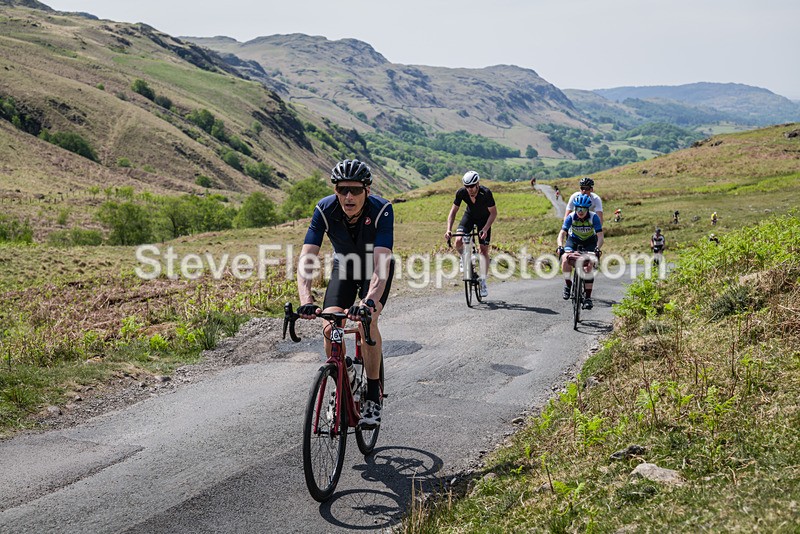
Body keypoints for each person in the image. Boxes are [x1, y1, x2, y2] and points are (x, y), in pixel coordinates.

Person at [296, 158, 394, 428]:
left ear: (367, 190)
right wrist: (306, 299)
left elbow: (382, 263)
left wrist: (370, 300)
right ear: (335, 190)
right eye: (342, 190)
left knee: (368, 321)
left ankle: (373, 394)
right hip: (345, 267)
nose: (348, 196)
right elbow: (307, 257)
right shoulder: (324, 209)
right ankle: (343, 379)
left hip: (375, 267)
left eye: (355, 190)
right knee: (330, 324)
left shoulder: (382, 210)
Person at [444, 171, 497, 298]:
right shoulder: (461, 193)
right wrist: (448, 229)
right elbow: (453, 212)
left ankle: (483, 281)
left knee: (483, 251)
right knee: (458, 241)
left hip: (484, 221)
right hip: (469, 217)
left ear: (477, 184)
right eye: (467, 187)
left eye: (472, 186)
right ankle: (464, 258)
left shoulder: (486, 193)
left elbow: (493, 213)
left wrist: (485, 229)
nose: (469, 189)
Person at [556, 193, 603, 310]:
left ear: (587, 209)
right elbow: (562, 233)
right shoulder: (571, 217)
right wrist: (560, 246)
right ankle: (568, 285)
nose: (580, 211)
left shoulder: (593, 217)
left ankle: (587, 297)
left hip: (590, 242)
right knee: (565, 258)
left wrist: (597, 248)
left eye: (582, 209)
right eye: (577, 208)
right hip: (573, 241)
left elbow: (600, 236)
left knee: (589, 264)